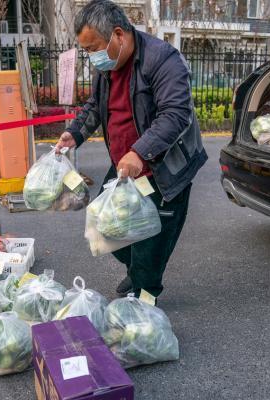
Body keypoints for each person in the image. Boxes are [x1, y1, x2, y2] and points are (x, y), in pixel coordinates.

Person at [56, 0, 207, 299]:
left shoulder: (164, 60)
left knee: (151, 246)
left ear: (118, 35)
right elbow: (95, 107)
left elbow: (176, 114)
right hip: (125, 168)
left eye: (93, 48)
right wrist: (74, 134)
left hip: (163, 171)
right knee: (102, 228)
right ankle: (136, 272)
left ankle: (145, 300)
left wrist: (139, 152)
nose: (91, 57)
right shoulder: (108, 66)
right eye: (86, 50)